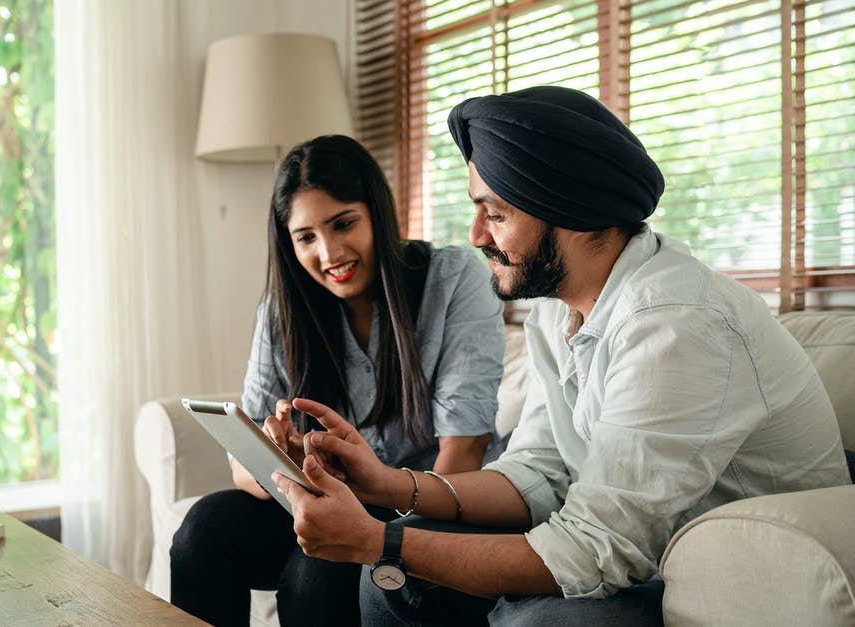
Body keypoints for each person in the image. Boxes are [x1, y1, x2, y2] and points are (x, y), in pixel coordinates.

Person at [268, 86, 852, 625]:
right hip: (630, 549)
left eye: (495, 213)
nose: (475, 234)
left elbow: (597, 551)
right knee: (396, 582)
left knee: (533, 618)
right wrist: (388, 485)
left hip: (719, 576)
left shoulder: (675, 323)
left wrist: (379, 541)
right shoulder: (558, 307)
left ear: (568, 212)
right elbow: (538, 473)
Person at [170, 134, 507, 626]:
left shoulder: (453, 279)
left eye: (343, 223)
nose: (329, 253)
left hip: (418, 502)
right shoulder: (281, 314)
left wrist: (363, 511)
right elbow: (243, 471)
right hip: (321, 498)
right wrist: (278, 460)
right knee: (202, 530)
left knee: (316, 570)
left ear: (376, 212)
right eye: (306, 237)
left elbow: (462, 456)